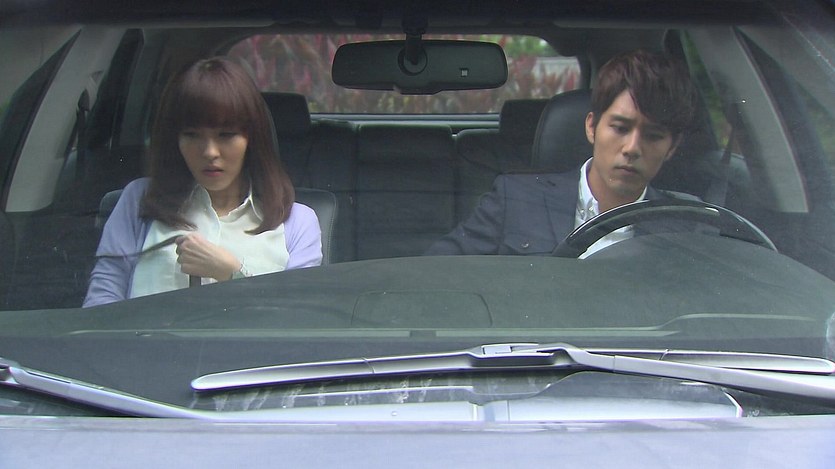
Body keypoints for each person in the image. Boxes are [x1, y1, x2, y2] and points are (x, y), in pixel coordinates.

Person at [84, 57, 322, 307]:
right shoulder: (141, 200)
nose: (210, 152)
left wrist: (232, 273)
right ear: (175, 139)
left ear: (252, 138)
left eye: (226, 135)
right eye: (192, 135)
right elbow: (101, 303)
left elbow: (300, 317)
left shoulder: (297, 222)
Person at [425, 49, 699, 257]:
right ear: (592, 127)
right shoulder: (516, 199)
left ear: (672, 147)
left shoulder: (690, 224)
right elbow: (439, 272)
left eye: (653, 136)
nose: (632, 148)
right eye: (620, 128)